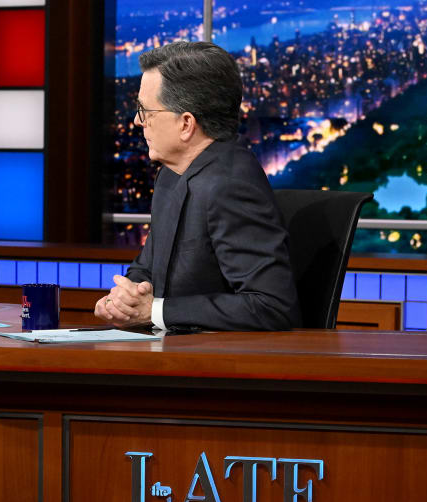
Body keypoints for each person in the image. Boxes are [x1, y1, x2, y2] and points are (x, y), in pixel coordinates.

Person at [95, 41, 301, 331]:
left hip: (217, 356)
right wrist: (123, 300)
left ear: (186, 124)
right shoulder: (170, 175)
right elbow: (148, 268)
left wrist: (154, 311)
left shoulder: (231, 184)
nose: (137, 121)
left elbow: (272, 306)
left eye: (145, 110)